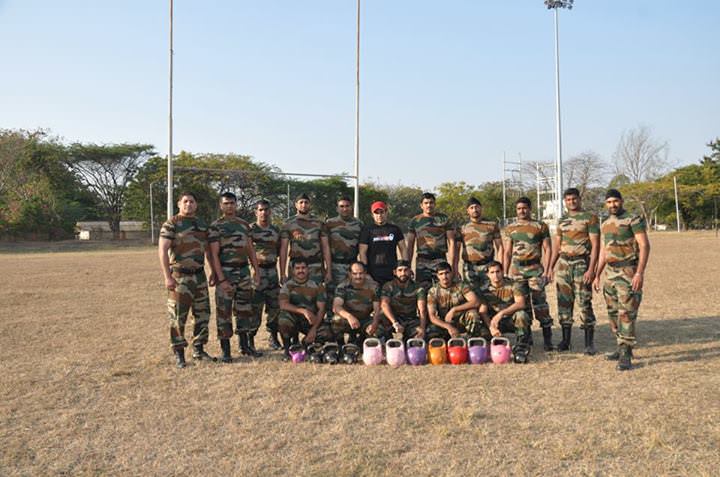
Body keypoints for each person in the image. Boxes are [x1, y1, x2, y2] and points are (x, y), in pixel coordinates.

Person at [593, 189, 651, 371]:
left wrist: (639, 273)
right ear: (606, 204)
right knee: (612, 313)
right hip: (610, 273)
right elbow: (604, 250)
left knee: (626, 312)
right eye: (609, 202)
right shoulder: (606, 223)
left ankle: (626, 352)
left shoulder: (632, 220)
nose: (613, 205)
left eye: (615, 201)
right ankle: (620, 346)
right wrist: (597, 274)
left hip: (628, 271)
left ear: (621, 201)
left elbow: (644, 245)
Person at [158, 192, 213, 368]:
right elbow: (162, 251)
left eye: (192, 201)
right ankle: (179, 353)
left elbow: (208, 252)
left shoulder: (202, 225)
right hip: (180, 277)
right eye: (185, 201)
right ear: (179, 204)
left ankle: (199, 348)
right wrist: (167, 276)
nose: (189, 204)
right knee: (178, 316)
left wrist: (213, 271)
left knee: (202, 314)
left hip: (199, 276)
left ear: (196, 205)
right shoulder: (172, 224)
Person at [208, 192, 261, 361]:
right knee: (224, 312)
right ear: (221, 206)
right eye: (226, 203)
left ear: (236, 205)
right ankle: (226, 350)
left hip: (244, 272)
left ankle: (245, 346)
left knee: (244, 310)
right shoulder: (216, 227)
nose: (229, 206)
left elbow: (250, 249)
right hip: (226, 272)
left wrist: (256, 271)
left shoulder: (244, 225)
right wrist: (221, 278)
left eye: (232, 203)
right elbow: (214, 254)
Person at [547, 188, 600, 354]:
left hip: (581, 264)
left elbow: (596, 244)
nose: (571, 202)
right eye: (568, 199)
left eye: (574, 199)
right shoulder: (562, 221)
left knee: (584, 302)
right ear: (565, 201)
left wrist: (592, 269)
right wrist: (550, 267)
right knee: (563, 303)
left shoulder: (589, 218)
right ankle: (565, 340)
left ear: (579, 199)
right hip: (563, 264)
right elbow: (557, 245)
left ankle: (589, 343)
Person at [503, 197, 555, 351]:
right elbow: (507, 252)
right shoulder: (510, 228)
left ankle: (547, 339)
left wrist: (548, 269)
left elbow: (548, 249)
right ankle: (527, 337)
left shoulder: (540, 226)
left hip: (535, 270)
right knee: (522, 305)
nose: (522, 211)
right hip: (517, 272)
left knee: (541, 305)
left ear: (530, 209)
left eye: (524, 208)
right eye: (519, 208)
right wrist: (505, 272)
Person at [278, 258, 332, 360]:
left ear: (308, 269)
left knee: (327, 332)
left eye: (303, 268)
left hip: (310, 321)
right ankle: (287, 349)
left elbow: (321, 309)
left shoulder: (317, 286)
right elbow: (283, 304)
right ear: (292, 271)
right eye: (297, 268)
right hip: (293, 319)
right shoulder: (287, 286)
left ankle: (306, 344)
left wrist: (314, 329)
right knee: (283, 320)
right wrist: (303, 311)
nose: (300, 271)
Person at [477, 261, 531, 362]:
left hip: (510, 319)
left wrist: (501, 313)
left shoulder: (514, 284)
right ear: (487, 275)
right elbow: (483, 312)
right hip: (494, 323)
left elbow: (521, 303)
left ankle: (521, 347)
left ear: (502, 272)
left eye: (498, 271)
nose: (495, 275)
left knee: (521, 315)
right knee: (480, 330)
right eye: (492, 272)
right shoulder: (484, 289)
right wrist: (491, 327)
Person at [405, 192, 456, 290]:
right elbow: (410, 244)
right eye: (426, 203)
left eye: (431, 202)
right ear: (421, 205)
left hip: (440, 259)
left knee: (442, 289)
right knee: (421, 290)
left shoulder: (443, 219)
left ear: (435, 204)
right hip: (422, 261)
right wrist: (408, 265)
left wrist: (452, 265)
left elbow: (452, 242)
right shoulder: (415, 221)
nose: (429, 205)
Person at [250, 199, 282, 350]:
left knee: (275, 307)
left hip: (272, 273)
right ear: (256, 212)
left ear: (270, 212)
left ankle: (273, 337)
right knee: (255, 308)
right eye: (260, 210)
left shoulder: (276, 231)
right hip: (257, 273)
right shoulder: (250, 230)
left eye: (266, 210)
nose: (263, 213)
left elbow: (280, 251)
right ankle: (250, 340)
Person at [279, 193, 330, 286]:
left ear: (310, 204)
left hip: (315, 266)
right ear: (296, 205)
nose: (303, 205)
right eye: (301, 202)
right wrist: (282, 273)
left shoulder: (319, 223)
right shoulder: (288, 223)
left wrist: (329, 271)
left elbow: (326, 247)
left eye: (306, 202)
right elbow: (284, 249)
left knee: (316, 295)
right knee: (295, 296)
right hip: (296, 266)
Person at [455, 196, 503, 293]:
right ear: (467, 211)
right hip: (469, 268)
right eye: (471, 208)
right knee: (472, 297)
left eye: (477, 207)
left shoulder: (491, 225)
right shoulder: (462, 228)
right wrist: (455, 269)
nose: (474, 210)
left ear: (481, 208)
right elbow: (456, 251)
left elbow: (500, 248)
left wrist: (501, 268)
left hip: (488, 267)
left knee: (490, 294)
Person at [426, 262, 482, 340]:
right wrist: (448, 327)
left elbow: (475, 302)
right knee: (430, 330)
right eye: (441, 274)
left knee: (473, 315)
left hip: (461, 321)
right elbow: (432, 316)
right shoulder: (433, 291)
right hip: (445, 323)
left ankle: (471, 341)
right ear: (437, 276)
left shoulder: (461, 286)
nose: (444, 276)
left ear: (451, 273)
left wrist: (454, 310)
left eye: (447, 273)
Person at [332, 261, 383, 345]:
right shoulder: (343, 286)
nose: (358, 276)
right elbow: (336, 307)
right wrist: (349, 316)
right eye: (355, 274)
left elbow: (377, 309)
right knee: (336, 320)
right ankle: (341, 345)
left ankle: (360, 341)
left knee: (379, 331)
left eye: (361, 273)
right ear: (349, 274)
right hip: (348, 320)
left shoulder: (374, 286)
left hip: (365, 319)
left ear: (365, 273)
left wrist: (374, 324)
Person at [358, 201, 407, 287]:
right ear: (372, 215)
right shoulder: (367, 230)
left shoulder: (395, 229)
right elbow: (362, 252)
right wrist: (365, 271)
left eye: (382, 212)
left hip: (391, 271)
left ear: (386, 212)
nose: (379, 215)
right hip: (373, 271)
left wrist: (406, 267)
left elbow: (403, 248)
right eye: (376, 213)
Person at [380, 260, 428, 342]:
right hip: (392, 319)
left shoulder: (418, 288)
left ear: (410, 271)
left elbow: (422, 309)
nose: (403, 273)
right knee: (380, 321)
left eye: (406, 270)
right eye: (400, 270)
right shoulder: (388, 286)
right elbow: (384, 304)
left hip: (410, 320)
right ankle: (386, 340)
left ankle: (408, 339)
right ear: (395, 272)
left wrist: (422, 329)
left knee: (419, 338)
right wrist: (395, 323)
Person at [324, 196, 363, 298]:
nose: (344, 209)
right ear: (337, 208)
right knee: (332, 295)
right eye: (341, 206)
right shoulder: (329, 223)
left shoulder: (359, 224)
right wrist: (327, 269)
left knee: (352, 295)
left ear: (352, 207)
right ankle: (331, 314)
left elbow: (363, 247)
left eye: (347, 206)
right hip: (335, 265)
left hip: (353, 266)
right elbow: (324, 246)